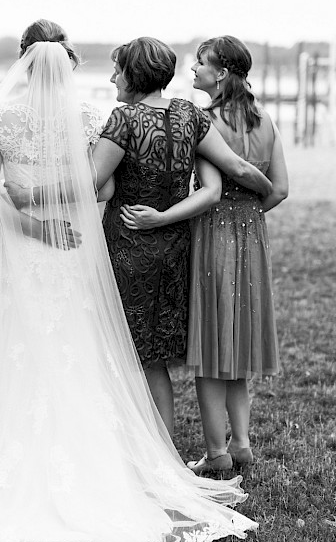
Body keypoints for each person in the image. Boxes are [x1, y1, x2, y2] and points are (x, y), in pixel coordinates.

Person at [0, 22, 256, 542]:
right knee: (79, 346)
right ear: (67, 64)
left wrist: (25, 205)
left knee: (11, 347)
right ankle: (95, 458)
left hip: (18, 248)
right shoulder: (90, 116)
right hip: (72, 247)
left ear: (24, 62)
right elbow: (105, 185)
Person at [92, 37, 274, 437]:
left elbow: (93, 184)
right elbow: (234, 169)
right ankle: (161, 453)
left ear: (133, 74)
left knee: (124, 352)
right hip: (174, 248)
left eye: (117, 70)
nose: (112, 78)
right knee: (154, 359)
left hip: (129, 242)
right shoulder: (190, 114)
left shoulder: (123, 120)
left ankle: (127, 445)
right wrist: (268, 191)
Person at [184, 35, 289, 474]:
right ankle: (242, 443)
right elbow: (281, 189)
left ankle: (216, 453)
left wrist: (224, 216)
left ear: (221, 73)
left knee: (210, 346)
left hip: (212, 234)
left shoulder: (205, 122)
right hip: (253, 235)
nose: (193, 70)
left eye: (200, 63)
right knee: (238, 341)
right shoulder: (266, 120)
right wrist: (248, 212)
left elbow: (208, 194)